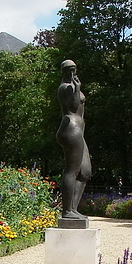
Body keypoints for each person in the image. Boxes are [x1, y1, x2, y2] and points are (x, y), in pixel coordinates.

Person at [56, 59, 91, 220]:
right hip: (71, 129)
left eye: (73, 69)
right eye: (68, 70)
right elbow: (74, 107)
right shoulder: (65, 87)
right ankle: (67, 211)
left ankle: (73, 209)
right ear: (63, 72)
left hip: (78, 130)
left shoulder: (71, 86)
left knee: (85, 172)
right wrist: (77, 89)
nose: (71, 73)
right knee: (72, 170)